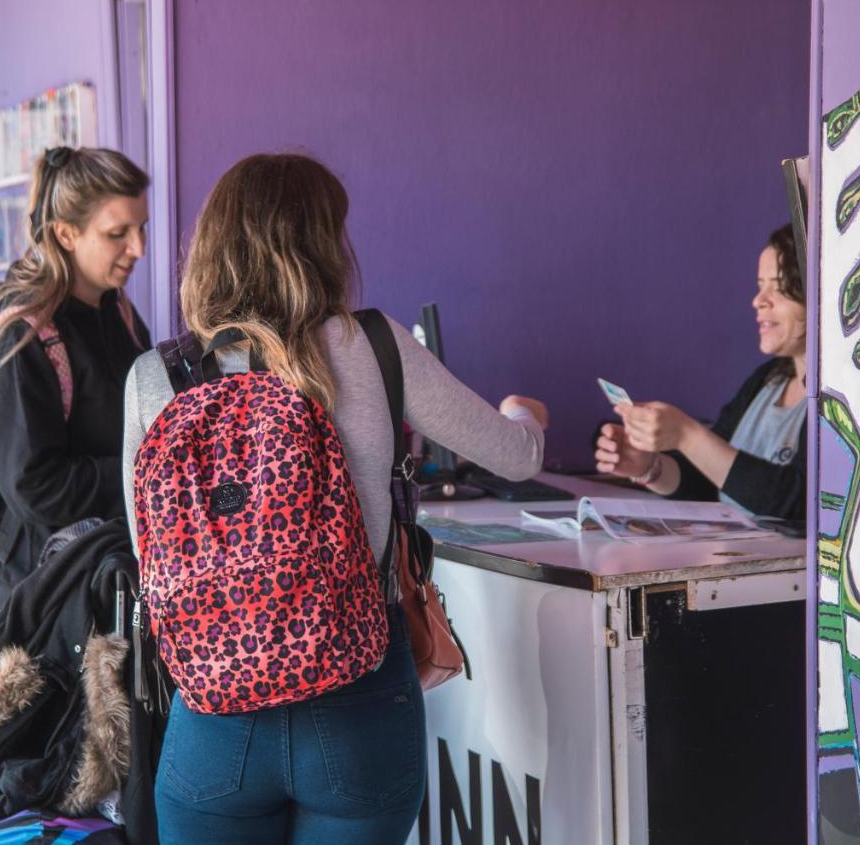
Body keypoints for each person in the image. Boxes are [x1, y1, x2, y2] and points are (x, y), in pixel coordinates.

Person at [122, 153, 548, 844]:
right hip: (359, 698)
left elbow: (151, 550)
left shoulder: (156, 377)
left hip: (214, 715)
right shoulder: (375, 344)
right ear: (320, 244)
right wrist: (525, 414)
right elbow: (516, 455)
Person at [0, 146, 152, 610]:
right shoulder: (23, 338)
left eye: (141, 228)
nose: (139, 249)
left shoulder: (119, 311)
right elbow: (35, 487)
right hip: (49, 600)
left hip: (110, 574)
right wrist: (144, 472)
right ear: (66, 234)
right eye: (117, 234)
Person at [594, 224, 807, 521]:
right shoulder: (766, 380)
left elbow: (800, 503)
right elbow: (712, 479)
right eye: (760, 285)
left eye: (780, 286)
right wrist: (649, 467)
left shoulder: (840, 399)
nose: (758, 301)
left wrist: (687, 435)